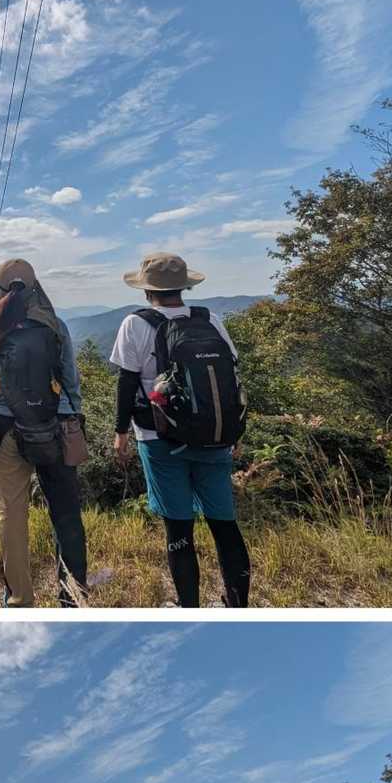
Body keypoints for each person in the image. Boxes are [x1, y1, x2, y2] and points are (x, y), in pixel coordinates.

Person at [110, 253, 250, 608]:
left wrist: (120, 432)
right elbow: (231, 380)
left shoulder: (135, 324)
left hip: (158, 439)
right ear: (185, 287)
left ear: (147, 290)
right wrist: (235, 433)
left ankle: (188, 608)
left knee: (178, 529)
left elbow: (127, 383)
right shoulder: (210, 319)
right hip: (214, 437)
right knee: (225, 526)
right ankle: (237, 606)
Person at [0, 259, 89, 607]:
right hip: (56, 425)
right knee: (66, 513)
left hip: (6, 427)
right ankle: (72, 598)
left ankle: (20, 599)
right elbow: (71, 382)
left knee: (11, 513)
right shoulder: (55, 325)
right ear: (36, 288)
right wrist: (71, 416)